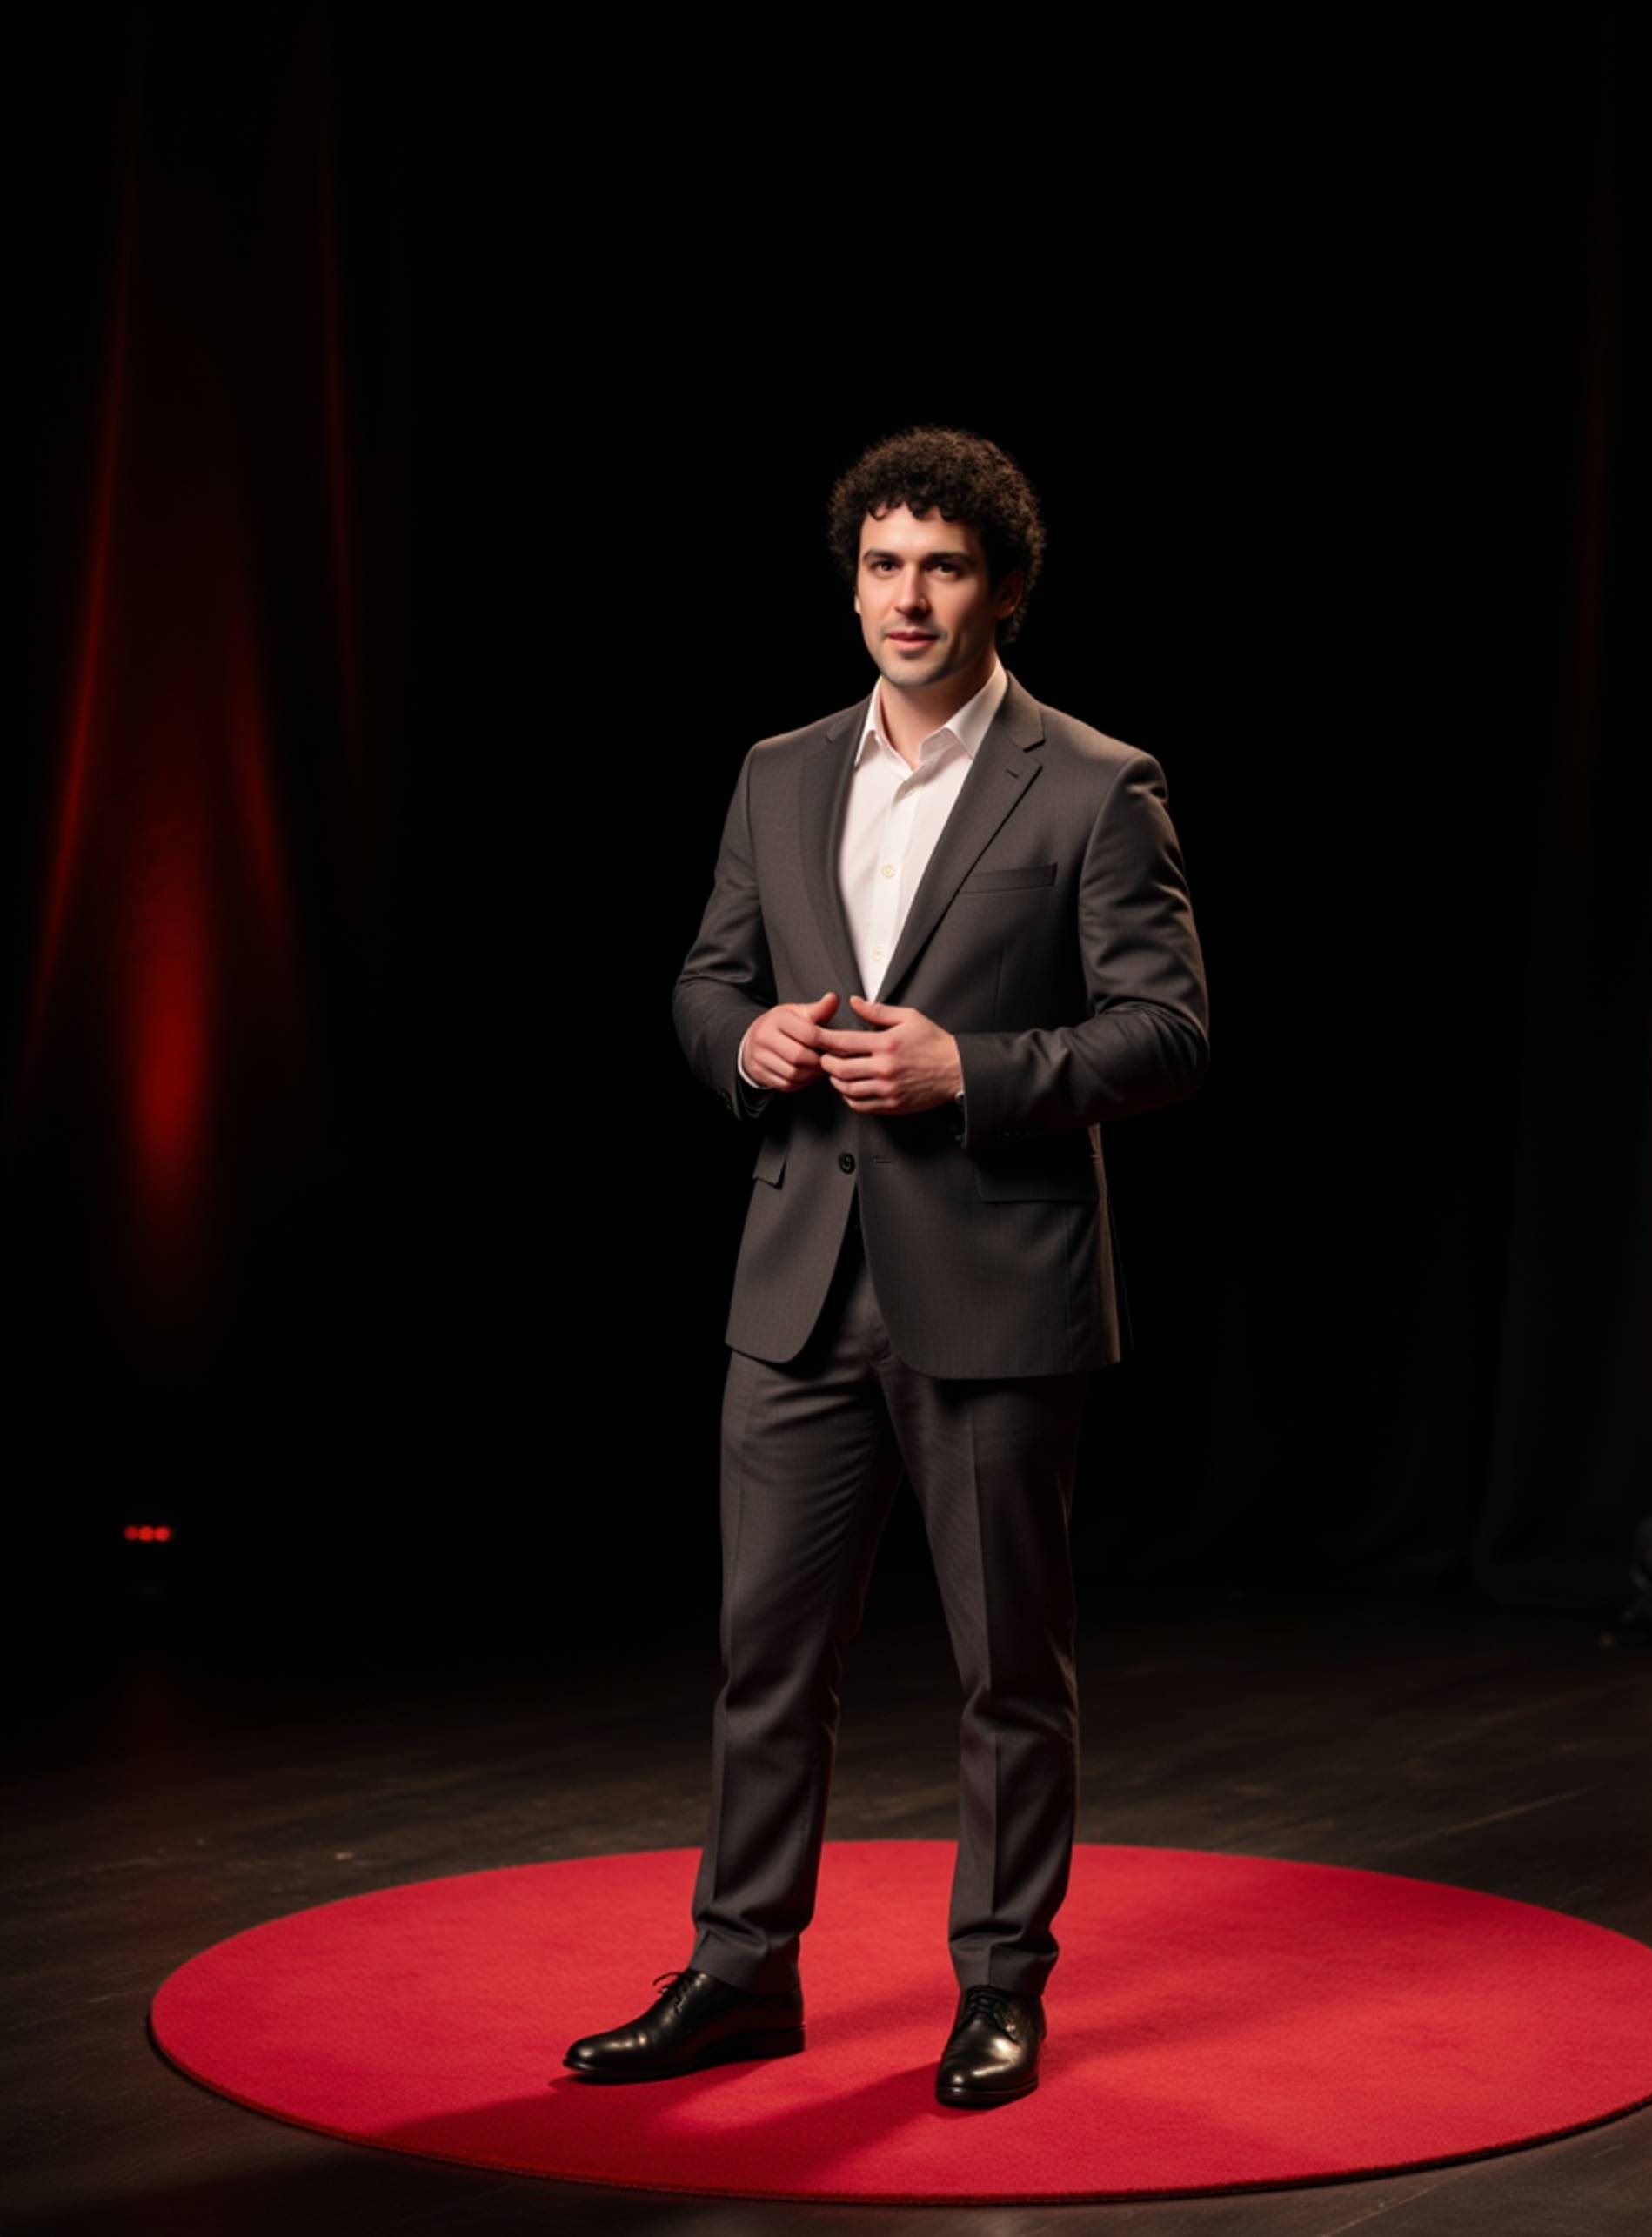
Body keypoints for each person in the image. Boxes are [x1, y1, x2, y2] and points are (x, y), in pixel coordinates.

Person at [564, 424, 1209, 2107]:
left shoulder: (1094, 779)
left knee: (1008, 1665)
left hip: (994, 1284)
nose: (906, 597)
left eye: (941, 566)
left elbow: (1168, 1031)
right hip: (794, 1284)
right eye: (881, 565)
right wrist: (746, 1037)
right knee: (764, 1652)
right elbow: (704, 981)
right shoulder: (778, 770)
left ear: (1002, 588)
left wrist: (972, 1075)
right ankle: (739, 1972)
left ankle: (1001, 1986)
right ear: (850, 582)